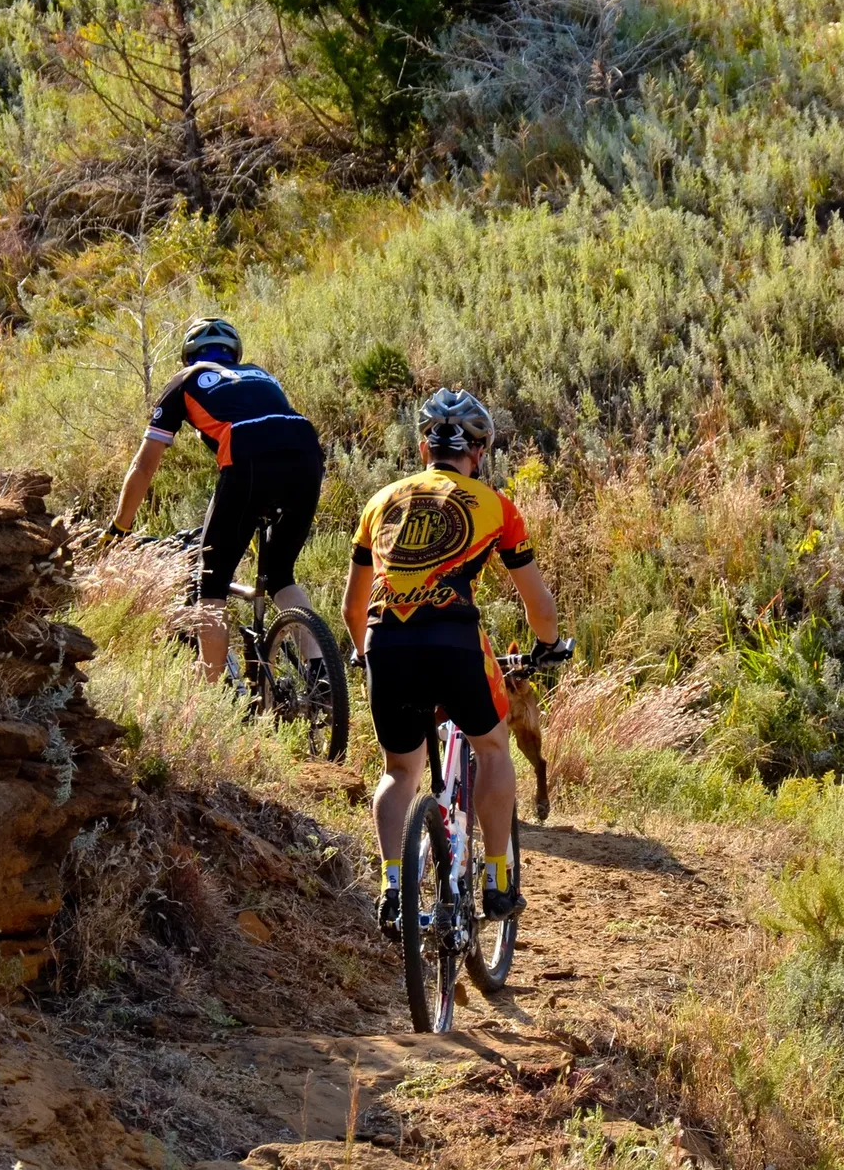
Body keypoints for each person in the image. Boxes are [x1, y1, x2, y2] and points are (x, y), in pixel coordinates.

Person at [341, 388, 571, 938]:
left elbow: (353, 604)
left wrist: (361, 651)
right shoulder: (493, 504)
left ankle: (393, 886)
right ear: (480, 451)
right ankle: (496, 880)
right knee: (492, 747)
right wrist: (549, 645)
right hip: (453, 640)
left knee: (399, 772)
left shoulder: (381, 502)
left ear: (425, 448)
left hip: (384, 643)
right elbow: (537, 603)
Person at [111, 316, 325, 678]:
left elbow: (144, 466)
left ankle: (209, 690)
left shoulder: (185, 379)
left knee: (210, 583)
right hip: (307, 459)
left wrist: (119, 528)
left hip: (249, 464)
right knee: (280, 575)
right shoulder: (261, 374)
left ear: (188, 355)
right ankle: (321, 678)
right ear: (234, 353)